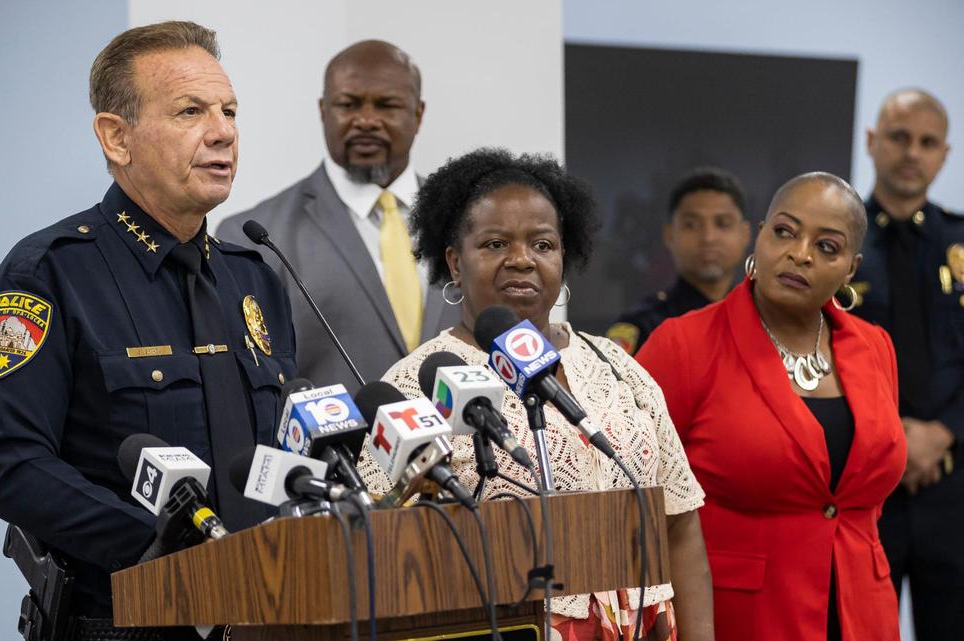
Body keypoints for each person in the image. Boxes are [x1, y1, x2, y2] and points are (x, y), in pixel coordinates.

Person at [0, 22, 297, 639]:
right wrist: (163, 549)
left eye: (229, 111)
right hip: (125, 623)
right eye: (190, 111)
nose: (223, 131)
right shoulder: (48, 274)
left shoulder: (255, 279)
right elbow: (12, 464)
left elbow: (278, 456)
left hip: (270, 618)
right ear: (116, 137)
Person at [357, 148, 714, 641]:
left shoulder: (618, 368)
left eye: (543, 244)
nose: (522, 260)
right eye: (495, 244)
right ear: (455, 262)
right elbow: (382, 548)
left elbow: (679, 527)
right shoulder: (415, 384)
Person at [638, 172, 906, 641]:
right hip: (739, 617)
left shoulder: (876, 347)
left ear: (851, 268)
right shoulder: (685, 344)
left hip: (865, 614)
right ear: (759, 235)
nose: (800, 253)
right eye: (784, 232)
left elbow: (862, 499)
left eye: (826, 247)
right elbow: (634, 498)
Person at [852, 88, 964, 641]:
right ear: (872, 141)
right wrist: (892, 443)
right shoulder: (838, 243)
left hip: (954, 488)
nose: (912, 153)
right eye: (899, 137)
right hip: (859, 487)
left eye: (928, 143)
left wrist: (939, 434)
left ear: (944, 154)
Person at [217, 40, 459, 392]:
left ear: (418, 114)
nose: (366, 121)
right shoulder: (256, 237)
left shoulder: (468, 222)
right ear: (323, 110)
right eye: (348, 104)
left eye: (387, 105)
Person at [606, 167, 751, 354]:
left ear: (745, 234)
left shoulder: (765, 319)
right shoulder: (643, 326)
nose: (708, 237)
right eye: (692, 225)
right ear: (669, 235)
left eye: (722, 223)